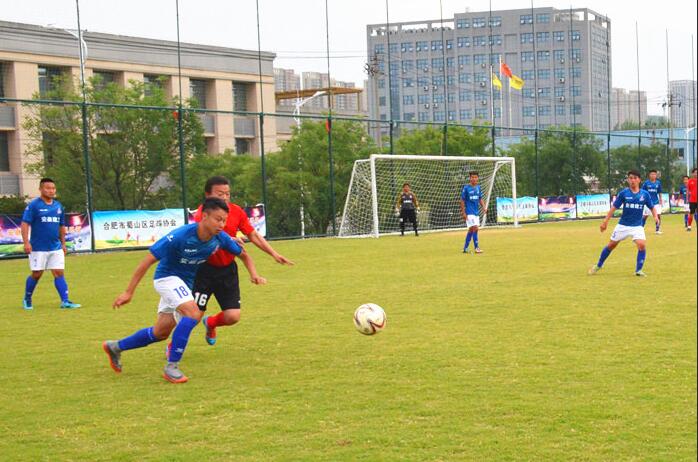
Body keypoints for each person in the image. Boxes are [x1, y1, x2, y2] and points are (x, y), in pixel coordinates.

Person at [102, 198, 264, 384]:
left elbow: (243, 255)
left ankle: (115, 347)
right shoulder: (180, 236)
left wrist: (254, 274)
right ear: (204, 216)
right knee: (193, 313)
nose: (222, 224)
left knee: (160, 332)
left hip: (184, 285)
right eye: (218, 219)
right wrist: (128, 292)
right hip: (166, 278)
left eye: (224, 220)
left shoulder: (221, 238)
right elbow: (147, 260)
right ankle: (172, 367)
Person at [189, 176, 292, 348]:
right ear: (207, 195)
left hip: (227, 270)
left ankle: (211, 323)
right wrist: (230, 239)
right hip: (204, 270)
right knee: (192, 316)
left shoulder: (236, 211)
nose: (225, 197)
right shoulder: (203, 214)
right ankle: (174, 346)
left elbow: (253, 235)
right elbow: (208, 236)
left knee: (233, 316)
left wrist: (274, 254)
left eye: (227, 194)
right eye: (220, 194)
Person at [20, 178, 81, 310]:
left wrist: (63, 244)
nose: (51, 191)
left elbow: (61, 226)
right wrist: (26, 242)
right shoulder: (34, 205)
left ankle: (65, 301)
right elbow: (25, 224)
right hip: (38, 247)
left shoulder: (58, 206)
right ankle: (27, 298)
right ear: (40, 189)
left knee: (59, 272)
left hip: (55, 246)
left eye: (53, 188)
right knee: (37, 273)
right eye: (48, 188)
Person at [589, 170, 659, 277]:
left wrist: (655, 216)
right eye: (630, 178)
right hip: (623, 225)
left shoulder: (645, 194)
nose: (632, 180)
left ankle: (638, 270)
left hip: (637, 226)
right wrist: (605, 222)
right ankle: (599, 265)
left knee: (642, 245)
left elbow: (652, 207)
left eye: (635, 178)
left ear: (639, 180)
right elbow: (613, 208)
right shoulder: (624, 193)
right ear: (628, 180)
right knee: (611, 245)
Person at [460, 172, 486, 254]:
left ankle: (465, 248)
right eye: (472, 177)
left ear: (477, 178)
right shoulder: (466, 188)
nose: (474, 179)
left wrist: (484, 207)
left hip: (476, 212)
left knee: (471, 230)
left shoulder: (478, 187)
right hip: (469, 212)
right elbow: (462, 200)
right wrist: (463, 213)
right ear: (470, 178)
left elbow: (480, 198)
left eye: (475, 177)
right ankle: (477, 248)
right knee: (475, 228)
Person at [641, 169, 663, 234]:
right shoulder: (646, 183)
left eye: (654, 174)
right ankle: (641, 229)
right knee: (645, 216)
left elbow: (660, 192)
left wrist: (661, 200)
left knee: (658, 215)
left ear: (656, 175)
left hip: (656, 202)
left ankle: (657, 229)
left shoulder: (658, 183)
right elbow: (642, 192)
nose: (653, 175)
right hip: (647, 202)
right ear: (649, 175)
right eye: (652, 174)